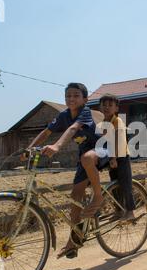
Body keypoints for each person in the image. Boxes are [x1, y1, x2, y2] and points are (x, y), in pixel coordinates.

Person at [23, 82, 108, 259]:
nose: (71, 99)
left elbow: (72, 129)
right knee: (75, 197)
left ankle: (98, 197)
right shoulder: (63, 115)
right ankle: (74, 241)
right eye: (68, 95)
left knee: (86, 158)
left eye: (76, 95)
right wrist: (29, 148)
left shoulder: (85, 112)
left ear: (84, 99)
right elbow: (46, 132)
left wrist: (57, 146)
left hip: (103, 149)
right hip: (86, 154)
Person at [98, 94, 136, 221]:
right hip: (111, 157)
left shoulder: (117, 121)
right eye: (104, 105)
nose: (106, 107)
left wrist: (113, 158)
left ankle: (130, 211)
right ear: (100, 107)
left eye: (110, 105)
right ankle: (119, 211)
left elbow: (115, 140)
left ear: (116, 108)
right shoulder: (102, 123)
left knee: (125, 184)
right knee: (114, 185)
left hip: (121, 156)